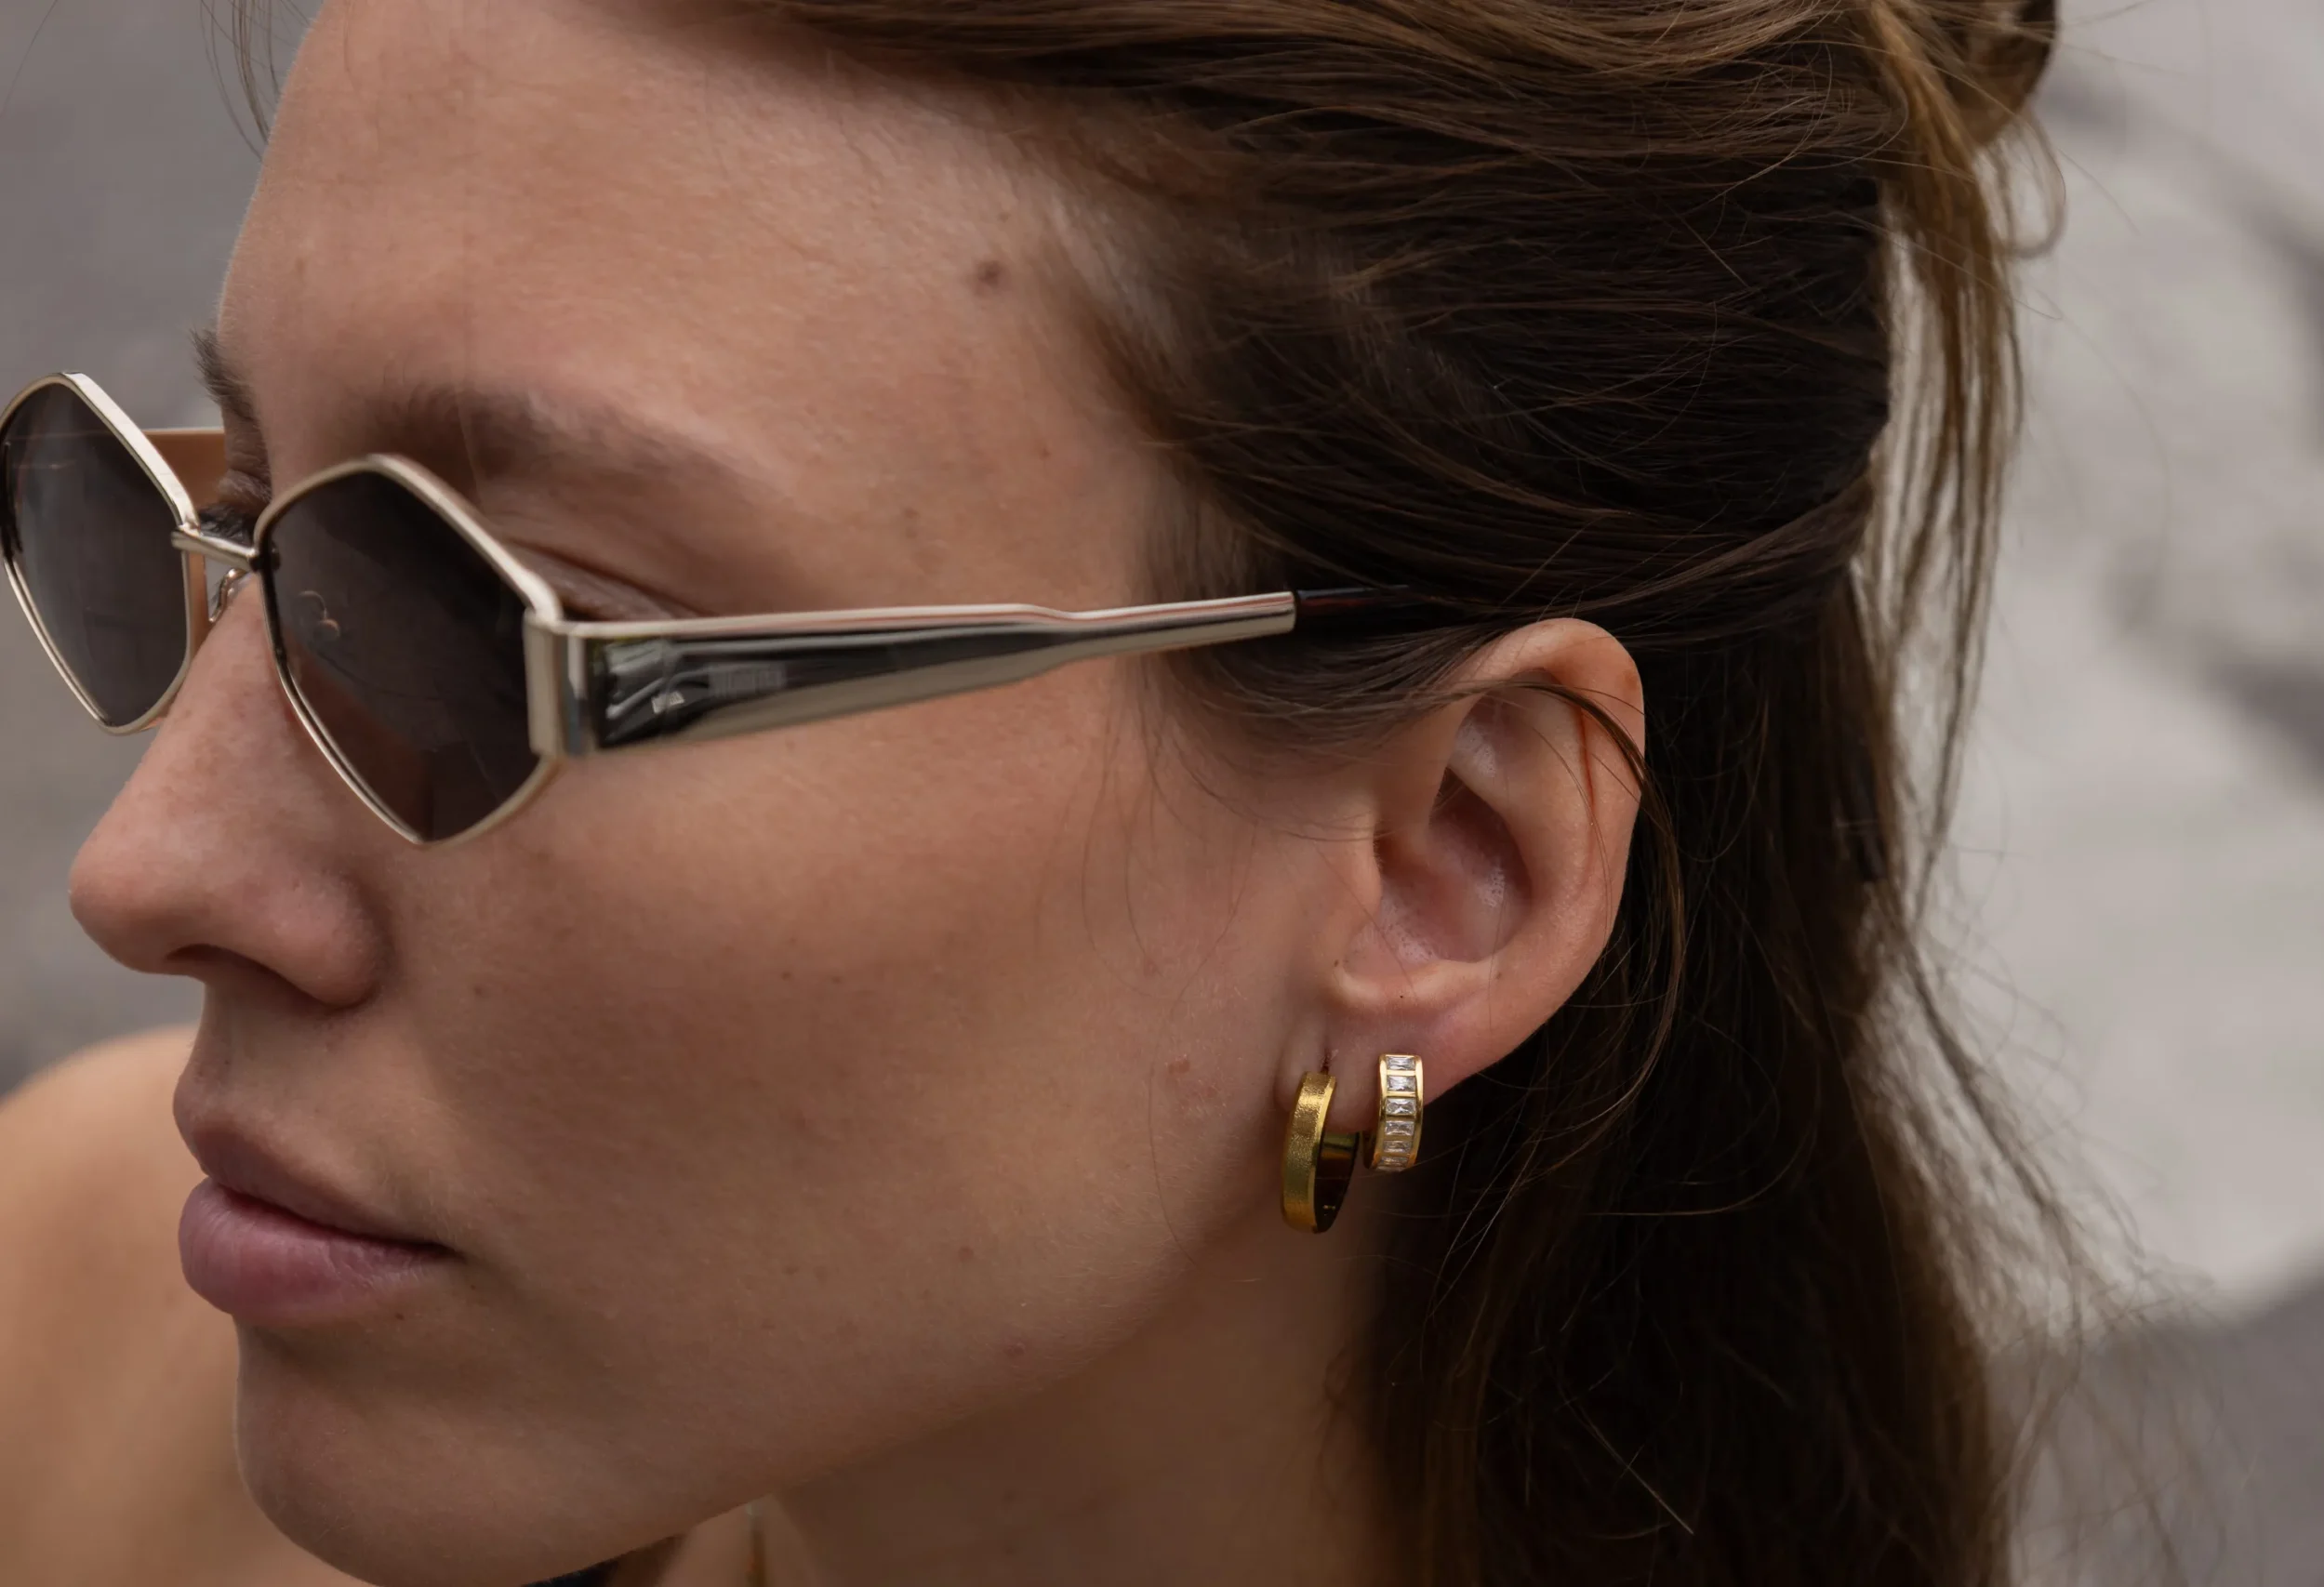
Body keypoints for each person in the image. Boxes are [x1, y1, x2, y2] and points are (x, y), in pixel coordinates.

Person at [0, 0, 2068, 1582]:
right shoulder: (76, 1339)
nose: (150, 868)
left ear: (1443, 865)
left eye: (484, 622)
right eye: (242, 515)